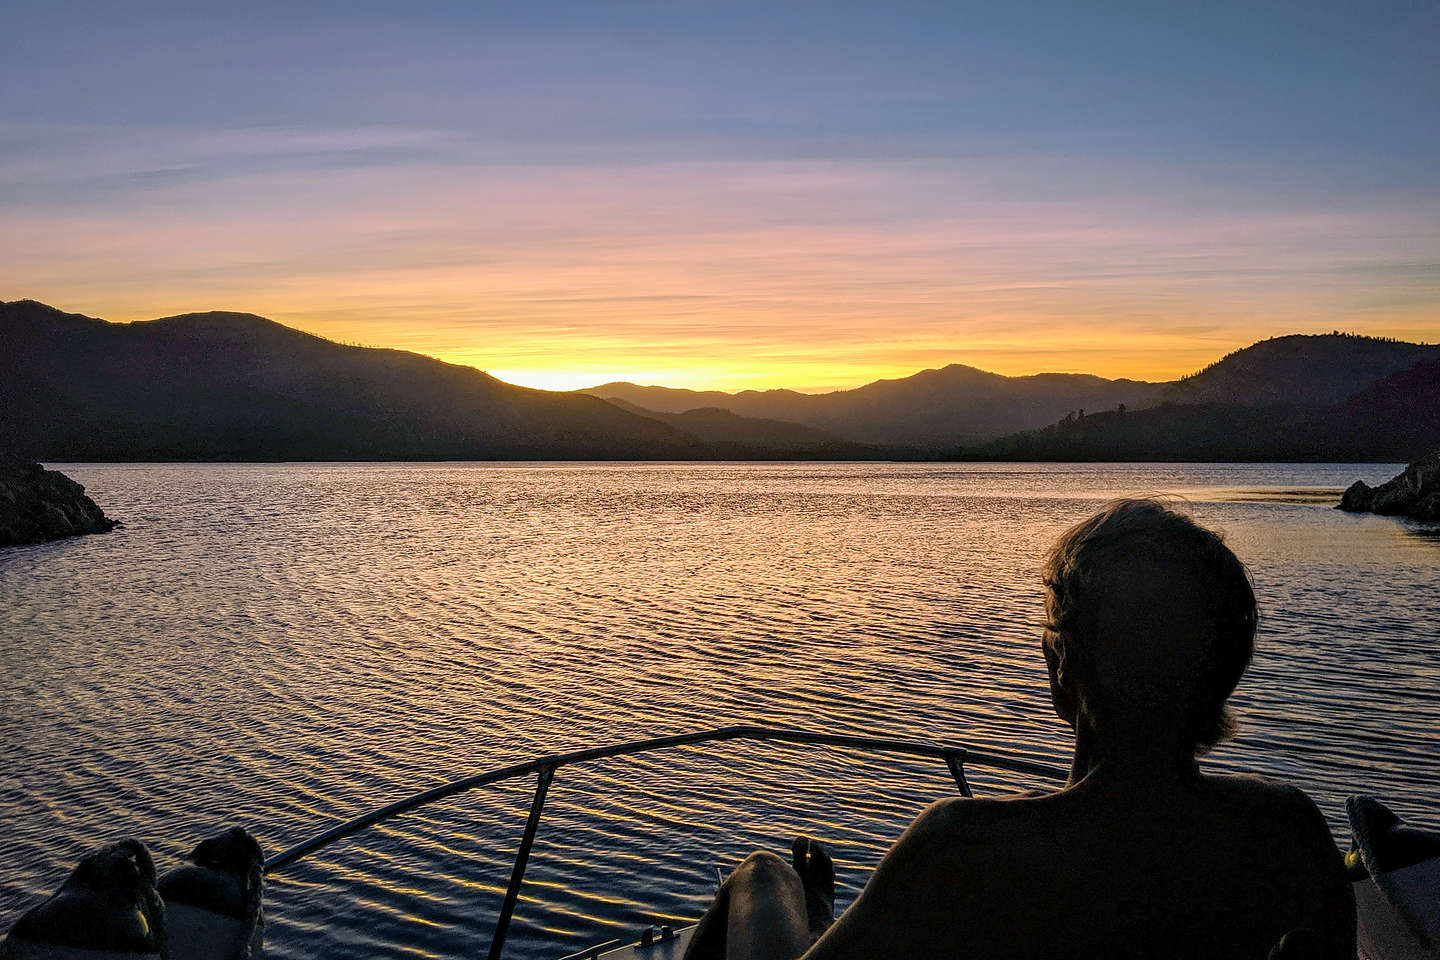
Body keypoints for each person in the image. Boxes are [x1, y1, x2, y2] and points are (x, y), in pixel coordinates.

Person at [684, 499, 1355, 960]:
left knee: (762, 876)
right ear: (1226, 669)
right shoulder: (1286, 833)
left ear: (1062, 664)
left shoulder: (967, 848)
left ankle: (796, 895)